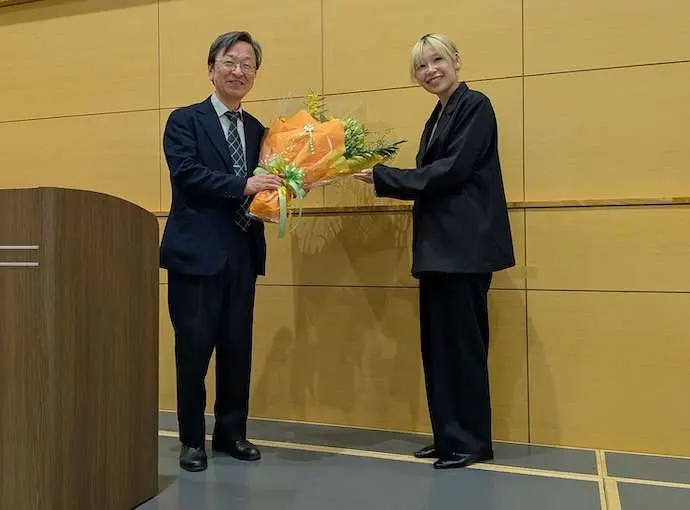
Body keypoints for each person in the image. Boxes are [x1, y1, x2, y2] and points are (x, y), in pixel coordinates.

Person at [354, 33, 515, 469]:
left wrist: (385, 177)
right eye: (421, 66)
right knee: (438, 347)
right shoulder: (438, 115)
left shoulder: (475, 106)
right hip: (439, 250)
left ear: (456, 60)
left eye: (437, 60)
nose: (430, 71)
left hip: (464, 250)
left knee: (463, 347)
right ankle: (448, 436)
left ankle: (473, 442)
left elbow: (451, 171)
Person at [160, 31, 283, 472]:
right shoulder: (184, 121)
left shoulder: (259, 131)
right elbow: (187, 174)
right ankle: (192, 440)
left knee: (237, 349)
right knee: (193, 353)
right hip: (196, 256)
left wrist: (288, 187)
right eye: (230, 62)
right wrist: (243, 185)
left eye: (247, 65)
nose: (238, 71)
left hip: (242, 254)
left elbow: (267, 184)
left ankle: (232, 433)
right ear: (211, 68)